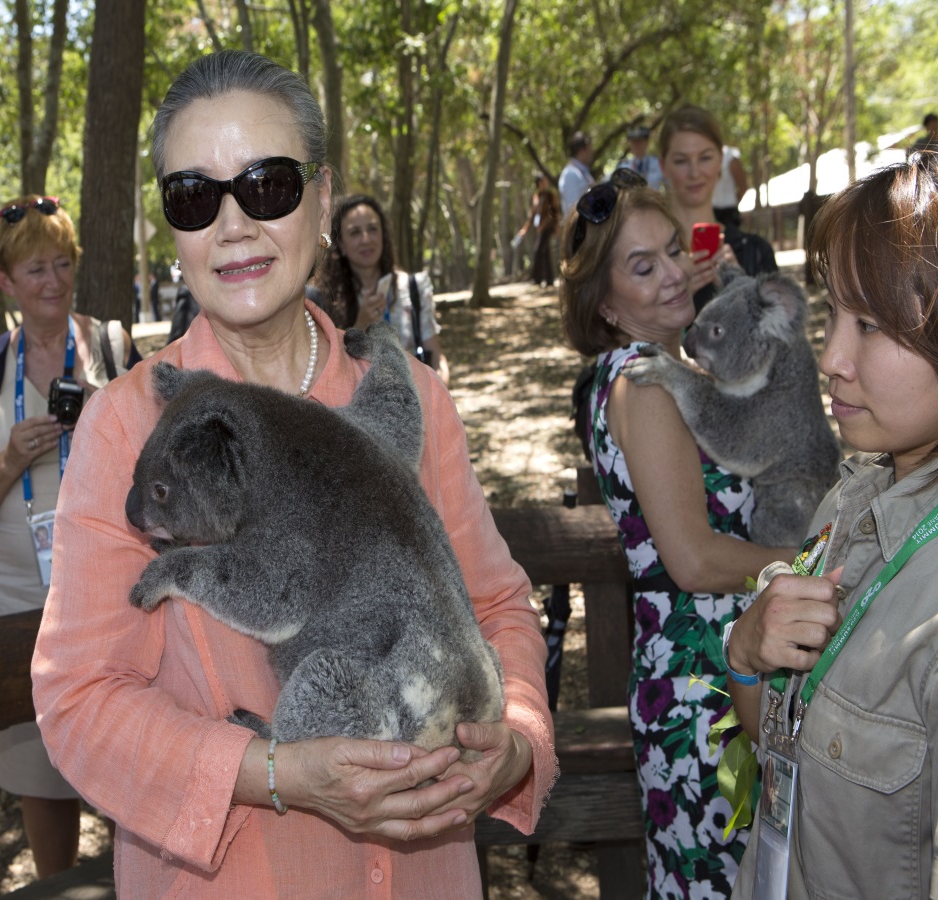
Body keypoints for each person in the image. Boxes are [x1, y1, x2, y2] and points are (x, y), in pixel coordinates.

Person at [30, 50, 556, 897]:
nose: (232, 226)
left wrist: (518, 740)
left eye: (266, 185)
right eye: (194, 197)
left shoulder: (407, 399)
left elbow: (497, 606)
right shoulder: (127, 424)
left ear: (320, 195)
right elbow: (80, 701)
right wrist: (270, 772)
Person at [559, 172, 797, 897]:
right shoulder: (644, 382)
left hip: (715, 671)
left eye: (671, 251)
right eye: (642, 266)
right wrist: (811, 563)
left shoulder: (662, 370)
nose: (670, 276)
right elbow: (692, 559)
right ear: (605, 304)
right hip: (703, 688)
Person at [726, 155, 938, 898]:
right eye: (834, 316)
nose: (830, 358)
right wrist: (748, 651)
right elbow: (779, 738)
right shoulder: (846, 503)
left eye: (872, 325)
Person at [0, 194, 137, 879]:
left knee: (132, 770)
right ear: (4, 281)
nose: (51, 282)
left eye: (60, 264)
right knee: (39, 774)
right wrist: (12, 458)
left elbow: (161, 463)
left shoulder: (110, 346)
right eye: (33, 271)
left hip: (116, 601)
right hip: (21, 609)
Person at [317, 192, 451, 385]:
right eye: (355, 232)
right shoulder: (324, 300)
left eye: (372, 229)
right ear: (341, 245)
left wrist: (440, 396)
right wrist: (361, 324)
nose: (366, 239)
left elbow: (436, 356)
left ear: (383, 236)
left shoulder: (414, 288)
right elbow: (331, 374)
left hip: (418, 403)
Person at [657, 106, 776, 313]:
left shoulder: (754, 252)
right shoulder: (646, 257)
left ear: (721, 160)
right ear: (663, 166)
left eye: (705, 158)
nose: (694, 173)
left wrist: (741, 287)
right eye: (681, 161)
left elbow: (781, 339)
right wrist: (675, 301)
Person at [514, 175, 560, 288]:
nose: (545, 183)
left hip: (548, 227)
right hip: (539, 227)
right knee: (545, 252)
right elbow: (533, 215)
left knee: (538, 250)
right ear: (539, 183)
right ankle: (549, 280)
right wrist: (525, 229)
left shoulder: (551, 195)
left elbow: (555, 212)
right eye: (543, 182)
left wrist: (556, 227)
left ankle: (537, 278)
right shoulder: (537, 196)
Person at [558, 130, 595, 217]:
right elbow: (573, 211)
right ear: (582, 151)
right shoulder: (570, 174)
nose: (592, 152)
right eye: (590, 149)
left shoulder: (582, 172)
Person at [711, 144, 748, 229]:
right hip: (708, 212)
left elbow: (743, 186)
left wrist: (733, 202)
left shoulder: (730, 156)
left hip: (728, 214)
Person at [619, 124, 664, 190]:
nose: (636, 145)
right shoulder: (624, 167)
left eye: (639, 141)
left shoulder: (659, 164)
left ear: (647, 142)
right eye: (633, 142)